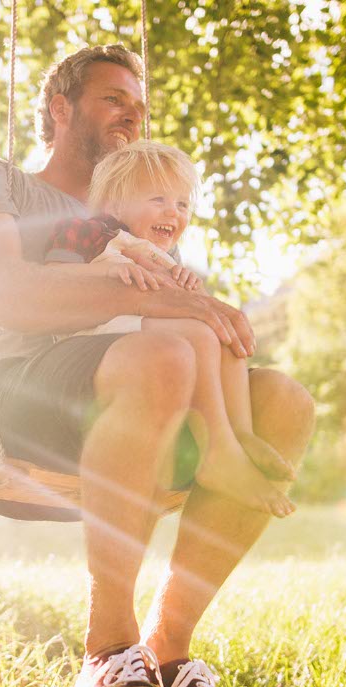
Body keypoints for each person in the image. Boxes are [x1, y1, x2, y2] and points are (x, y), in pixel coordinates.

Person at [0, 45, 315, 687]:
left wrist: (200, 310)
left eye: (137, 103)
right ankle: (108, 649)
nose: (131, 112)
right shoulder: (0, 182)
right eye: (114, 97)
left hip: (138, 389)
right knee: (165, 350)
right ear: (60, 108)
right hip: (16, 399)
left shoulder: (137, 211)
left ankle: (168, 654)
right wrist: (173, 304)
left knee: (287, 402)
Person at [43, 139, 296, 515]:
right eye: (158, 199)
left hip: (139, 329)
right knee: (196, 333)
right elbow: (54, 280)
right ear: (114, 204)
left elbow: (175, 305)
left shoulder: (158, 255)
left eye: (181, 204)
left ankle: (239, 434)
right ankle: (217, 453)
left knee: (219, 330)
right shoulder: (89, 232)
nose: (173, 212)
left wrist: (187, 286)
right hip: (95, 334)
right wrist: (109, 272)